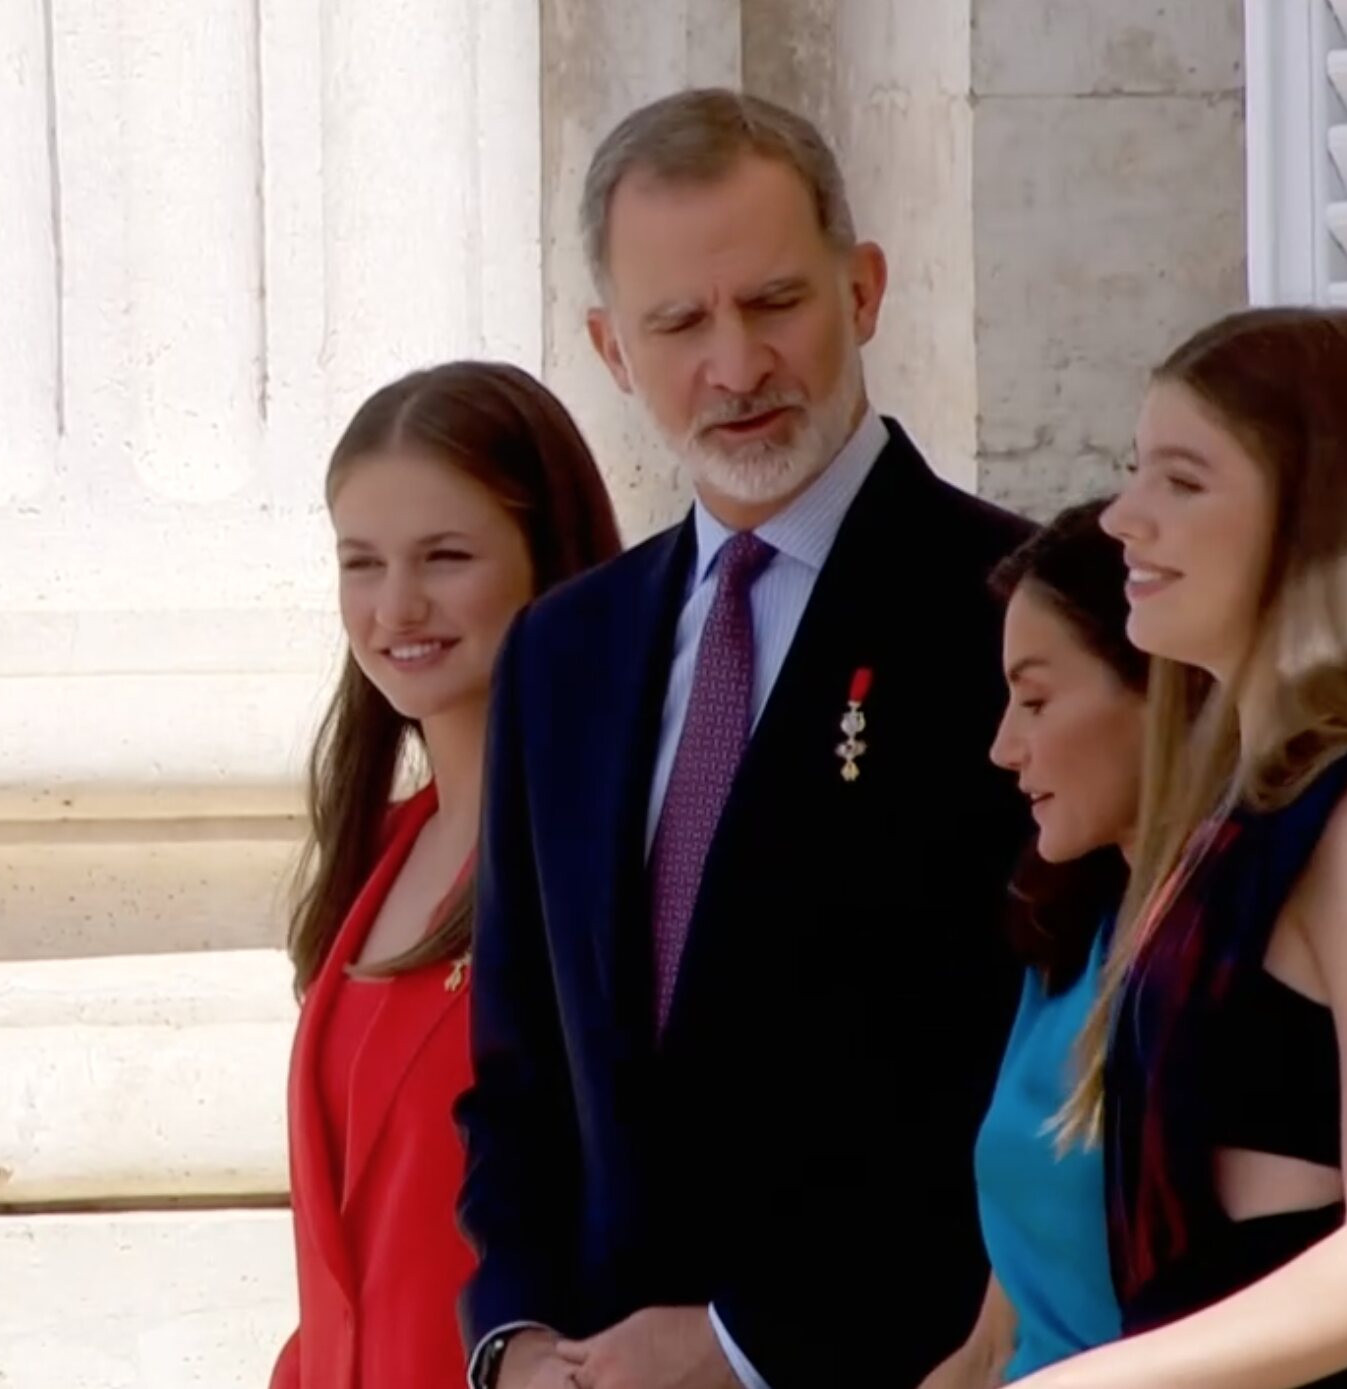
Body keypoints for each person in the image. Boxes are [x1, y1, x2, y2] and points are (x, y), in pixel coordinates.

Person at [455, 88, 1036, 1389]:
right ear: (612, 348)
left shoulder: (1012, 616)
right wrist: (515, 1342)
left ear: (865, 290)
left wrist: (745, 1345)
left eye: (775, 303)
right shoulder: (561, 653)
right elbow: (519, 1069)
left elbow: (1021, 1069)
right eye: (679, 323)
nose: (736, 365)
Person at [1004, 306, 1347, 1388]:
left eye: (1182, 480)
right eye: (1134, 472)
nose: (1124, 516)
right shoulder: (1235, 821)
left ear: (1317, 518)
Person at [273, 360, 623, 1389]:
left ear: (544, 559)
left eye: (446, 556)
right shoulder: (378, 848)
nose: (397, 606)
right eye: (360, 563)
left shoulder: (604, 858)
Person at [922, 501, 1146, 1389]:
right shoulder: (1067, 938)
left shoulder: (1231, 954)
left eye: (1037, 699)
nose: (1003, 747)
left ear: (1157, 682)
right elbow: (990, 1347)